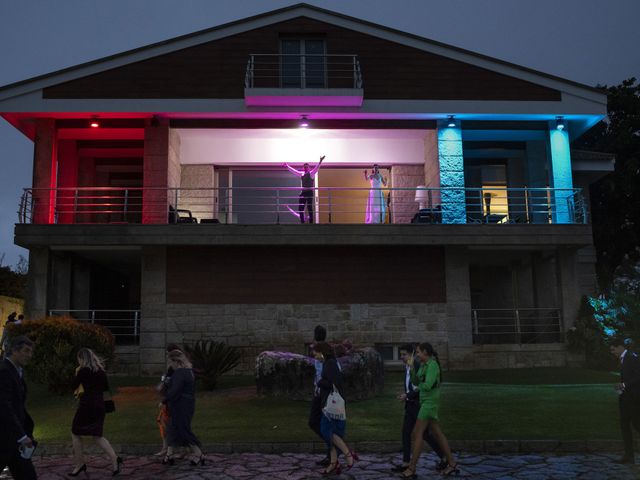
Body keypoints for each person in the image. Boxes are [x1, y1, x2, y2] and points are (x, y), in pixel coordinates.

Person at [401, 342, 458, 479]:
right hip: (425, 402)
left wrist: (419, 385)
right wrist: (411, 368)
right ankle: (452, 463)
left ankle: (412, 468)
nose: (418, 355)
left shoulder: (432, 365)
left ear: (426, 352)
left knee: (417, 433)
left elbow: (427, 385)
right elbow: (415, 381)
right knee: (438, 434)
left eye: (419, 352)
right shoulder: (423, 365)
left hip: (429, 404)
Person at [391, 344, 446, 474]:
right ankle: (406, 462)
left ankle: (444, 457)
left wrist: (408, 395)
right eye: (401, 355)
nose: (402, 357)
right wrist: (406, 394)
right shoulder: (409, 365)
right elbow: (412, 384)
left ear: (411, 354)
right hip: (410, 404)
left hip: (418, 404)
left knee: (425, 434)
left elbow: (421, 386)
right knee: (406, 432)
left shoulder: (417, 364)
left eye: (404, 355)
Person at [69, 348, 122, 476]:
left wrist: (77, 374)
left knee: (75, 432)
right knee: (97, 435)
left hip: (86, 405)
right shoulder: (101, 372)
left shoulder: (83, 371)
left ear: (81, 358)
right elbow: (105, 389)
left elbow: (73, 385)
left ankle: (79, 464)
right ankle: (114, 461)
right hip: (99, 406)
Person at [314, 341, 357, 475]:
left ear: (322, 352)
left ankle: (347, 453)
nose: (314, 356)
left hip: (331, 403)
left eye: (315, 353)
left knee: (326, 430)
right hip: (326, 401)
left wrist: (320, 382)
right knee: (330, 433)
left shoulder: (330, 363)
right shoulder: (327, 363)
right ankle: (333, 463)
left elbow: (334, 382)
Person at [0, 335, 37, 480]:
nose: (29, 355)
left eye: (31, 351)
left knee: (28, 475)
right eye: (26, 351)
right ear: (14, 351)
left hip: (13, 440)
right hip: (5, 437)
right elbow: (4, 406)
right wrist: (21, 436)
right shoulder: (4, 371)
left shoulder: (16, 371)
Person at [161, 350, 204, 466]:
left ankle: (199, 453)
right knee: (173, 427)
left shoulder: (180, 373)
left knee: (182, 429)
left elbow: (175, 390)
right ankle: (169, 455)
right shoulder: (188, 371)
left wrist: (164, 400)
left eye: (170, 361)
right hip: (184, 403)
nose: (169, 364)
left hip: (181, 405)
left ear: (175, 361)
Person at [610, 337, 640, 464]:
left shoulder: (632, 357)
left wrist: (624, 385)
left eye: (613, 349)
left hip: (634, 399)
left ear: (620, 347)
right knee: (624, 425)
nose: (612, 352)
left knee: (637, 425)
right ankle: (629, 456)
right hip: (625, 399)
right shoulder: (623, 359)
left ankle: (629, 455)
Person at [155, 343, 182, 457]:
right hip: (168, 398)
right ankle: (166, 448)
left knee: (175, 425)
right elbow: (166, 379)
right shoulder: (171, 367)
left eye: (168, 353)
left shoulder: (178, 368)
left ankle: (179, 450)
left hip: (175, 400)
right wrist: (162, 384)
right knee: (163, 423)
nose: (166, 356)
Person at [284, 155, 325, 223]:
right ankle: (302, 221)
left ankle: (311, 221)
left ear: (308, 168)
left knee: (309, 207)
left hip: (309, 192)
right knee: (301, 208)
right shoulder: (302, 174)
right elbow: (294, 171)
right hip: (303, 192)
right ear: (304, 168)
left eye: (307, 167)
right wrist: (287, 166)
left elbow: (316, 168)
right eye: (305, 167)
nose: (305, 168)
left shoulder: (311, 173)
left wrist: (320, 161)